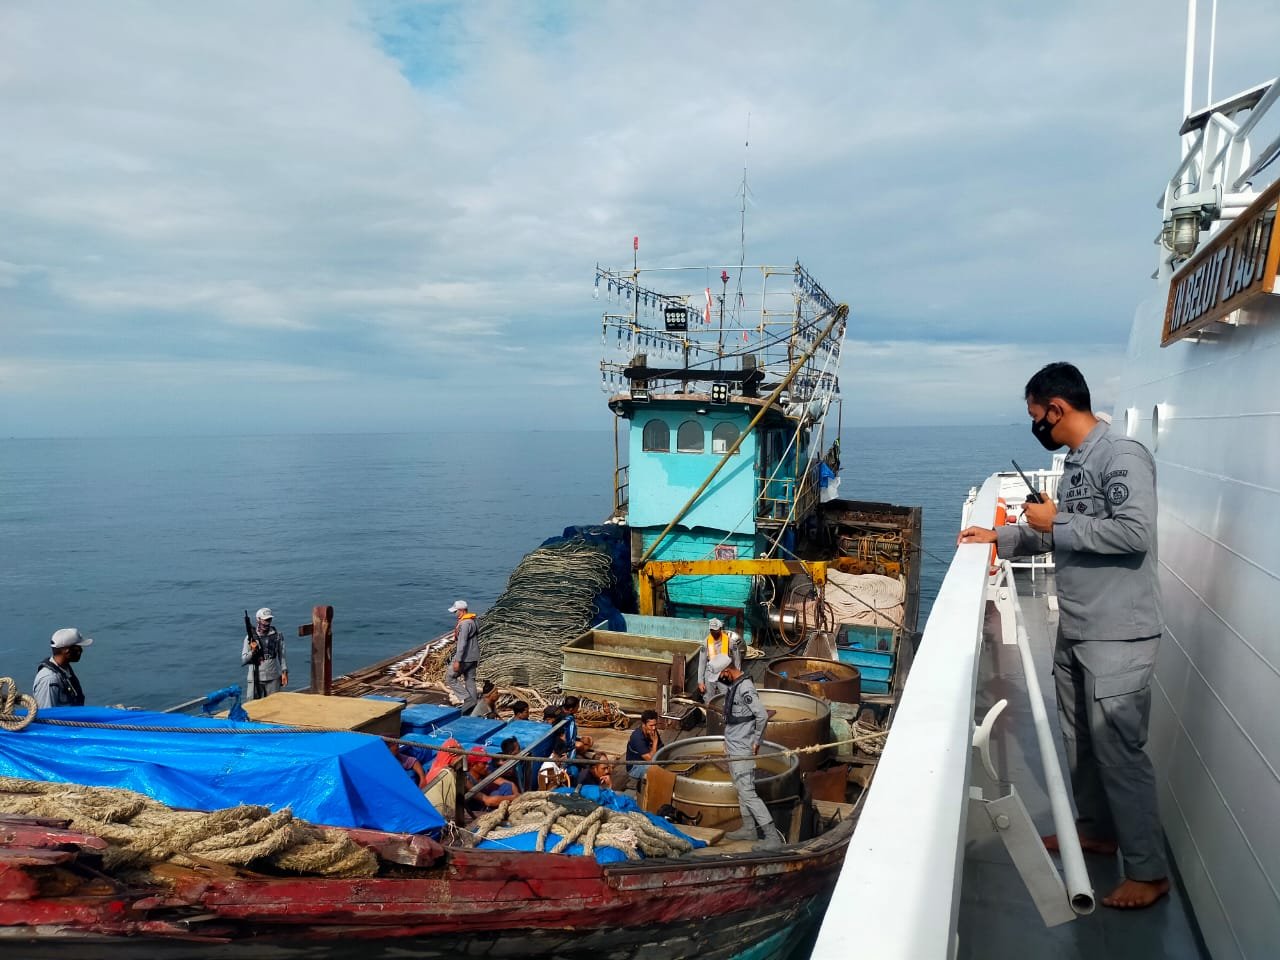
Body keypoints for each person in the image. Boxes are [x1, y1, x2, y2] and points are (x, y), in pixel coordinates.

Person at [958, 361, 1168, 910]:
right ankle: (1096, 832)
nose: (1037, 426)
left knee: (1119, 751)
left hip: (1116, 635)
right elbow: (1062, 536)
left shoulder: (1121, 457)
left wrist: (1056, 523)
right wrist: (1000, 536)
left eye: (1037, 417)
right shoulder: (1077, 465)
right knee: (1082, 744)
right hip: (1078, 627)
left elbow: (1133, 532)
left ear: (1056, 408)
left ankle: (1148, 872)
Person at [711, 653, 783, 851]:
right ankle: (749, 828)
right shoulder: (734, 685)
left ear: (726, 671)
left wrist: (756, 741)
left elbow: (761, 716)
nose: (718, 679)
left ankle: (772, 836)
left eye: (719, 675)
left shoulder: (746, 688)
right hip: (733, 745)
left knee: (748, 793)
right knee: (740, 790)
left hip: (743, 747)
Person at [33, 628, 93, 709]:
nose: (81, 650)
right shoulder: (48, 680)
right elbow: (46, 716)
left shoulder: (65, 669)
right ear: (67, 651)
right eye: (78, 648)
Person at [241, 607, 287, 700]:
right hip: (255, 678)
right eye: (265, 620)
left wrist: (284, 672)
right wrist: (253, 651)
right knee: (252, 706)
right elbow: (244, 659)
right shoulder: (249, 638)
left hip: (273, 677)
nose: (267, 623)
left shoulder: (277, 635)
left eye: (269, 620)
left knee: (274, 703)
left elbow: (282, 655)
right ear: (258, 620)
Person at [696, 618, 743, 703]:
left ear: (720, 629)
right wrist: (700, 682)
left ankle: (724, 714)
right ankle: (709, 714)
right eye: (712, 630)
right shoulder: (705, 643)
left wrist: (736, 675)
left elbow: (737, 659)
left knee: (726, 695)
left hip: (725, 672)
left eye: (716, 630)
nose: (714, 632)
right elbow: (702, 663)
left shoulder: (730, 642)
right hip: (710, 672)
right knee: (708, 698)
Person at [445, 600, 481, 714]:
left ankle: (467, 699)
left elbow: (462, 643)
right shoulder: (474, 620)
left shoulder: (465, 624)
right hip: (474, 656)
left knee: (450, 677)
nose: (455, 614)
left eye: (456, 611)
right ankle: (473, 705)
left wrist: (457, 660)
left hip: (465, 657)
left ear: (461, 610)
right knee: (470, 680)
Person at [464, 748, 519, 815]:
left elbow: (510, 784)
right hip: (478, 811)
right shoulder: (466, 779)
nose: (487, 766)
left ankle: (507, 809)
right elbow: (488, 801)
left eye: (487, 763)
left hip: (491, 804)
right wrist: (514, 797)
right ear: (473, 765)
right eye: (484, 763)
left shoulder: (485, 773)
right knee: (495, 794)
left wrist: (517, 796)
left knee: (507, 786)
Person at [625, 709, 664, 793]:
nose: (654, 728)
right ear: (643, 724)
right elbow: (650, 760)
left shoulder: (653, 731)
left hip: (648, 761)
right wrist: (655, 741)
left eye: (655, 725)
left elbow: (661, 749)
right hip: (635, 767)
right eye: (651, 725)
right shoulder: (637, 737)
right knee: (656, 770)